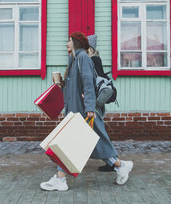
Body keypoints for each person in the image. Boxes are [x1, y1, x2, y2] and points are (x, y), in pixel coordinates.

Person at [40, 32, 133, 191]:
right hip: (75, 110)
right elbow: (75, 86)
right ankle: (120, 166)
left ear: (76, 43)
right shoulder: (73, 59)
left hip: (84, 110)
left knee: (75, 143)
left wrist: (90, 109)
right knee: (90, 143)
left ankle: (60, 180)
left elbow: (88, 85)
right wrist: (61, 84)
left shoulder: (83, 58)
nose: (66, 44)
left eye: (69, 41)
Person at [87, 34, 115, 172]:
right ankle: (112, 161)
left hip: (96, 101)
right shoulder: (93, 58)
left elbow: (96, 80)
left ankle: (113, 162)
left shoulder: (94, 59)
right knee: (98, 131)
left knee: (99, 132)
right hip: (95, 99)